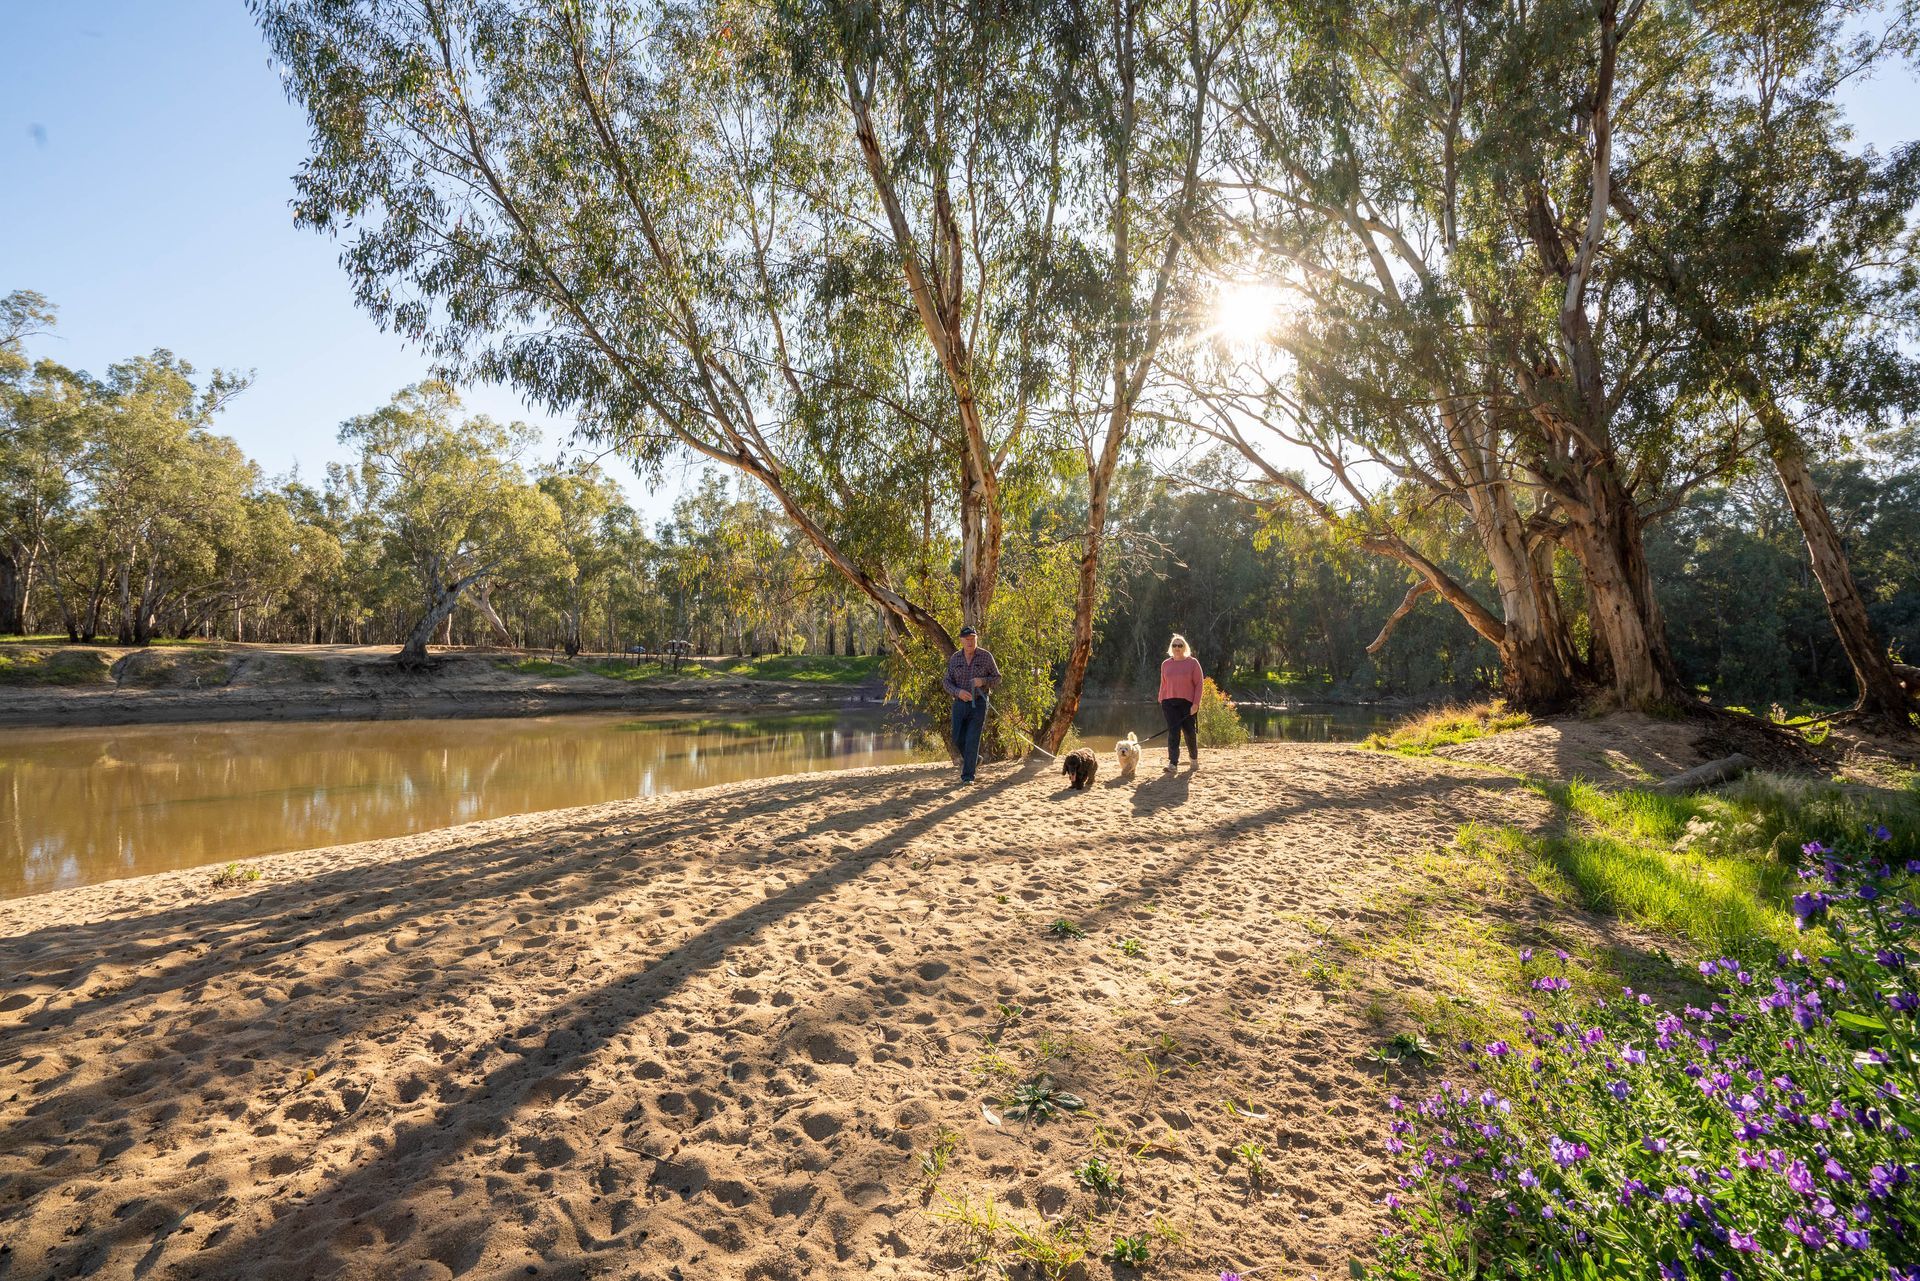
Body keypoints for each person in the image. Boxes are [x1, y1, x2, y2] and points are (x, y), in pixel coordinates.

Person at [942, 626, 1002, 784]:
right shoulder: (955, 658)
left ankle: (968, 776)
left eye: (972, 638)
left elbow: (997, 678)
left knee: (972, 739)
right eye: (967, 639)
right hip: (959, 703)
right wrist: (957, 692)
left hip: (979, 704)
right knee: (956, 738)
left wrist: (982, 681)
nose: (970, 642)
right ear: (961, 640)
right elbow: (946, 681)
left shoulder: (985, 656)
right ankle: (974, 758)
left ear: (976, 639)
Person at [1158, 634, 1203, 771]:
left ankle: (1193, 758)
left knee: (1189, 732)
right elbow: (1163, 683)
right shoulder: (1165, 664)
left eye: (1180, 645)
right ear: (1171, 647)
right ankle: (1173, 763)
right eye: (1174, 645)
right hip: (1169, 703)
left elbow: (1199, 684)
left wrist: (1196, 704)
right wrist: (1161, 699)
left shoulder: (1193, 663)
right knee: (1173, 732)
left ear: (1185, 647)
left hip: (1187, 704)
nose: (1177, 648)